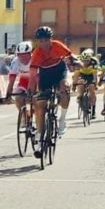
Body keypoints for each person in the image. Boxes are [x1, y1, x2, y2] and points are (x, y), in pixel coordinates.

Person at [28, 26, 72, 157]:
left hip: (60, 71)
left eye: (46, 40)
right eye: (40, 41)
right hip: (45, 75)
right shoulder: (37, 53)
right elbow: (32, 74)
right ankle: (40, 135)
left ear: (50, 39)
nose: (43, 43)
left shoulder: (58, 46)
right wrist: (30, 90)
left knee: (64, 88)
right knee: (41, 106)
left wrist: (74, 64)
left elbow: (70, 57)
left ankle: (62, 120)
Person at [6, 42, 33, 114]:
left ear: (30, 54)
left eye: (25, 55)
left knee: (35, 102)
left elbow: (38, 78)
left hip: (35, 81)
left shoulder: (35, 59)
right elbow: (11, 81)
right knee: (18, 99)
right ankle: (24, 116)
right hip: (23, 82)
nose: (23, 58)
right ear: (17, 55)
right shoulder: (15, 61)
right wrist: (8, 95)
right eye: (20, 55)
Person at [73, 49, 100, 119]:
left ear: (90, 60)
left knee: (92, 91)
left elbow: (95, 75)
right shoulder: (78, 63)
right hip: (82, 74)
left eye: (87, 61)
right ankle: (80, 98)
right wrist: (74, 84)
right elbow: (76, 75)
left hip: (91, 75)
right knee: (80, 86)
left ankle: (93, 111)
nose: (85, 62)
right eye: (83, 61)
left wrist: (95, 84)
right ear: (81, 60)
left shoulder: (94, 62)